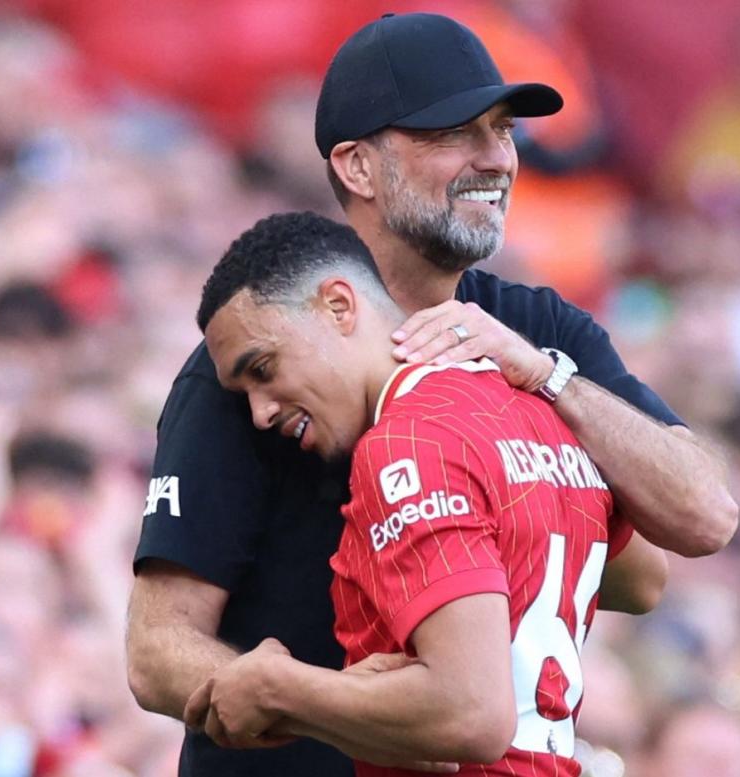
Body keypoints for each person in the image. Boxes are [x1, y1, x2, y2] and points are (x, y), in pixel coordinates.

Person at [126, 12, 737, 777]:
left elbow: (675, 543)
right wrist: (284, 696)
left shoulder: (543, 334)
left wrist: (548, 383)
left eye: (502, 129)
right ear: (357, 166)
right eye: (453, 134)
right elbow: (158, 651)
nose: (498, 159)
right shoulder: (260, 363)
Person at [182, 211, 662, 774]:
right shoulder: (534, 411)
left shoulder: (408, 442)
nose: (260, 413)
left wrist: (282, 688)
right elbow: (647, 574)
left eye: (263, 369)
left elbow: (472, 715)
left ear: (338, 306)